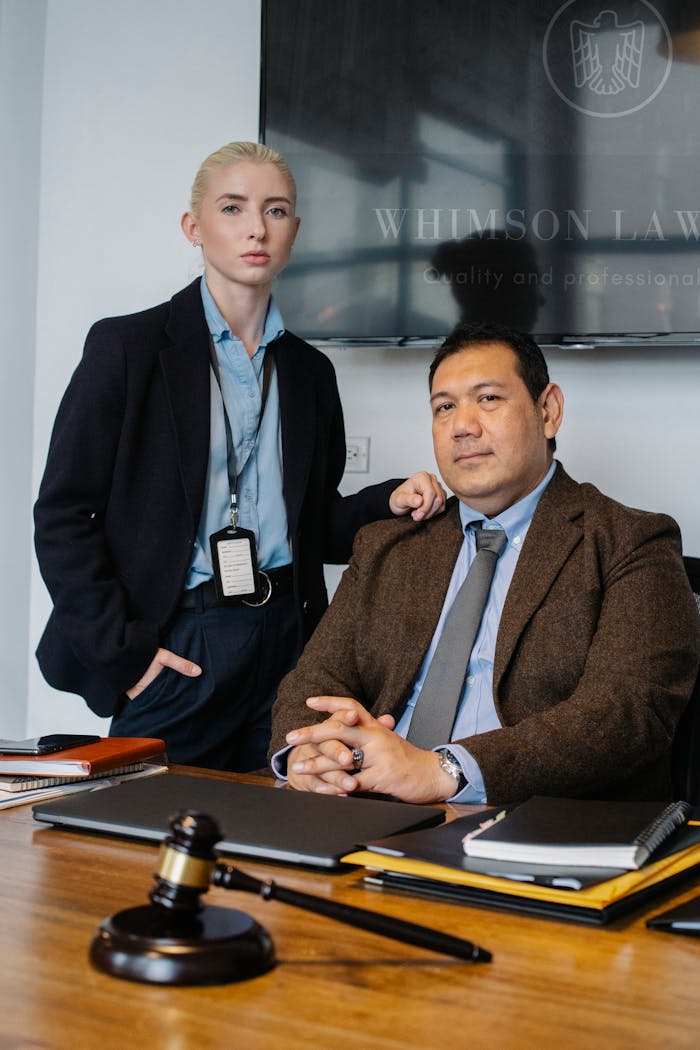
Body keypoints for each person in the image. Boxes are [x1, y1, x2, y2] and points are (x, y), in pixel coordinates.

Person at [33, 140, 445, 772]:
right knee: (145, 839)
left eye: (276, 211)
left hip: (289, 641)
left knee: (286, 830)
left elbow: (313, 529)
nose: (257, 227)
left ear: (295, 231)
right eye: (233, 208)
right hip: (181, 642)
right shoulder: (127, 348)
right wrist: (127, 656)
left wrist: (385, 501)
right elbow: (62, 517)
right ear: (193, 227)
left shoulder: (310, 372)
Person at [269, 321, 700, 804]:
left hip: (533, 821)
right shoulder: (388, 544)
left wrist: (442, 770)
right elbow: (312, 682)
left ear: (548, 411)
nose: (462, 426)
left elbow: (628, 712)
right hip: (368, 807)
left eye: (489, 399)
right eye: (444, 407)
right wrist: (314, 754)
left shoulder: (630, 541)